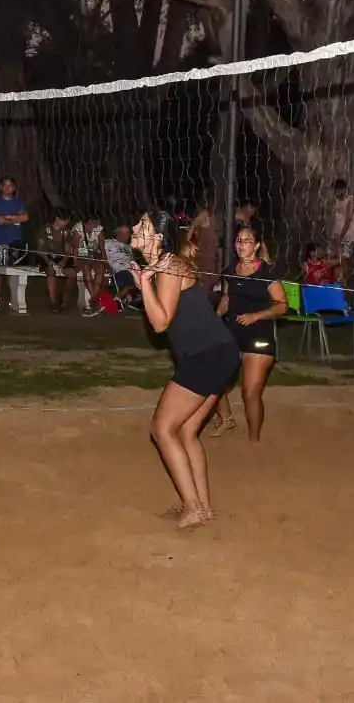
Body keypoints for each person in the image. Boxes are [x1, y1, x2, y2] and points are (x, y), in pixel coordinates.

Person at [130, 208, 239, 529]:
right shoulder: (164, 266)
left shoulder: (169, 267)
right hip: (219, 353)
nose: (135, 227)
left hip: (207, 356)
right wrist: (144, 281)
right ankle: (202, 508)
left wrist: (145, 283)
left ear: (158, 238)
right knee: (187, 432)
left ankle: (192, 506)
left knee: (162, 429)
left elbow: (160, 322)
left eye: (143, 225)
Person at [211, 225, 287, 440]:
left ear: (256, 245)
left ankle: (253, 440)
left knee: (250, 393)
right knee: (212, 379)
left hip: (259, 336)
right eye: (238, 240)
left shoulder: (266, 271)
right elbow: (227, 298)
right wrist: (214, 319)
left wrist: (256, 316)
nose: (240, 244)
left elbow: (282, 306)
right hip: (231, 333)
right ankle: (227, 419)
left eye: (246, 241)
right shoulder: (230, 269)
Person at [0, 176, 27, 310]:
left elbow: (25, 217)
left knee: (14, 272)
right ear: (0, 187)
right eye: (5, 185)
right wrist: (16, 219)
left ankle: (14, 300)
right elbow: (0, 221)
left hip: (15, 242)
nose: (7, 188)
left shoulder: (18, 202)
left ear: (14, 188)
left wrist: (9, 218)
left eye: (10, 185)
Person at [329, 178, 354, 284]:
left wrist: (341, 237)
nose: (335, 193)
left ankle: (344, 282)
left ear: (343, 189)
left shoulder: (350, 201)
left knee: (343, 260)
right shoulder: (336, 201)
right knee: (334, 258)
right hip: (335, 235)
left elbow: (348, 221)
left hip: (347, 236)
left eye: (336, 190)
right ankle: (335, 281)